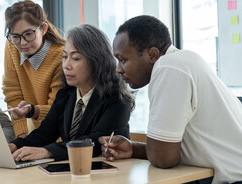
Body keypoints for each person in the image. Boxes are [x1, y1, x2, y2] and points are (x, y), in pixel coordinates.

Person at [99, 15, 242, 184]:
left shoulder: (169, 67)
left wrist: (150, 151)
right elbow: (168, 151)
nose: (118, 70)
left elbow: (163, 159)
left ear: (152, 55)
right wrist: (134, 149)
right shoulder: (184, 61)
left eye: (123, 60)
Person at [8, 24, 133, 161]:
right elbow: (45, 133)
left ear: (96, 61)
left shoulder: (118, 99)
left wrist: (47, 151)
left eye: (75, 58)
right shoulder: (65, 95)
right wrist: (14, 145)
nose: (66, 65)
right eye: (64, 57)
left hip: (110, 173)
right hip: (75, 170)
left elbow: (96, 142)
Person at [3, 0, 65, 138]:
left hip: (57, 136)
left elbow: (57, 111)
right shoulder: (12, 45)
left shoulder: (61, 56)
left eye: (29, 34)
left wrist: (33, 142)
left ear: (43, 29)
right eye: (15, 36)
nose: (23, 42)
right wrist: (22, 135)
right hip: (30, 136)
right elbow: (12, 92)